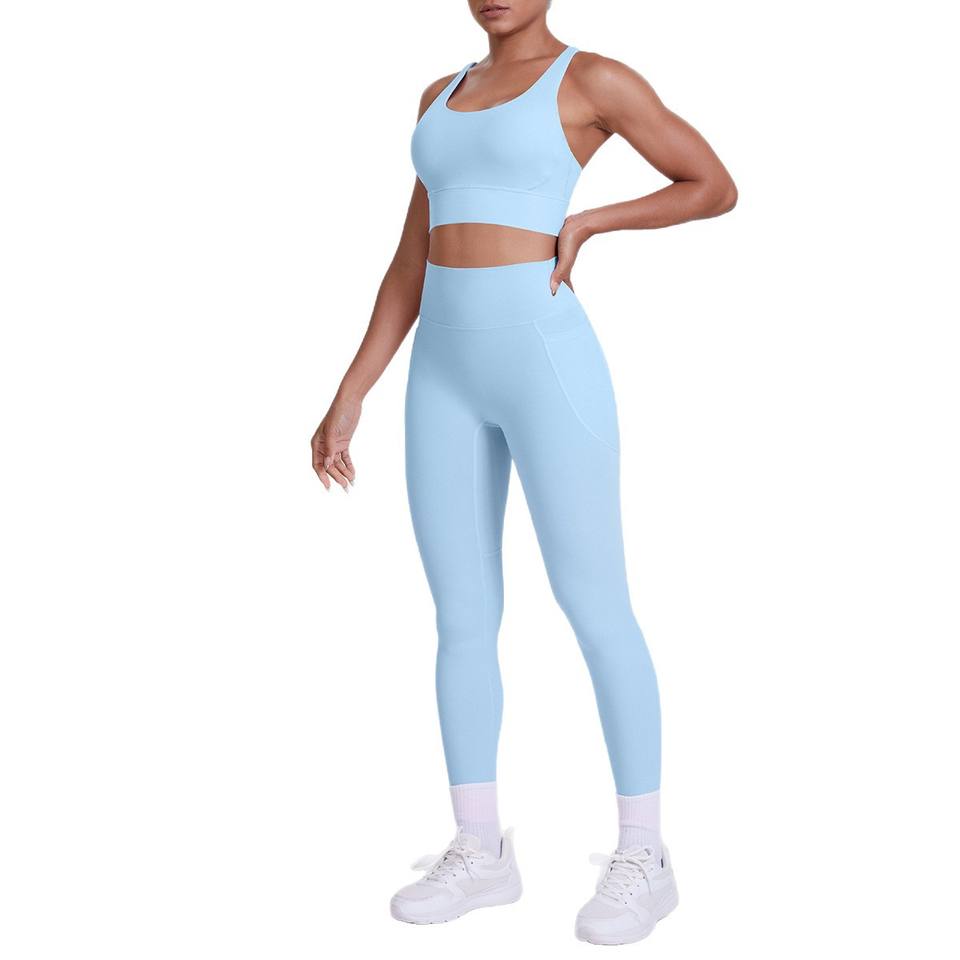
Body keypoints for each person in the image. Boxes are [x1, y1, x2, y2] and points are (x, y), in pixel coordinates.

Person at [311, 0, 736, 945]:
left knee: (595, 603)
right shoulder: (438, 95)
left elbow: (712, 184)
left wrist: (591, 223)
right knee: (460, 615)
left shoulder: (591, 79)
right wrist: (352, 392)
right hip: (442, 376)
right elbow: (411, 260)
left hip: (546, 362)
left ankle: (644, 854)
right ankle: (480, 849)